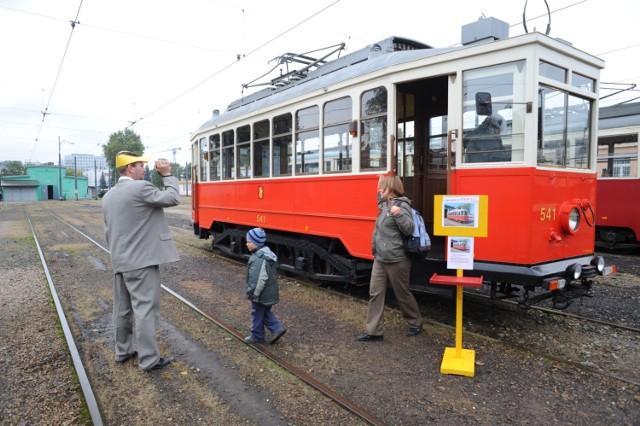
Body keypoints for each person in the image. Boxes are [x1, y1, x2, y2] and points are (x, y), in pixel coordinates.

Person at [102, 151, 180, 371]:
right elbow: (173, 198)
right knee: (145, 310)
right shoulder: (140, 188)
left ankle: (123, 351)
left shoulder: (108, 196)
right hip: (142, 262)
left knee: (122, 309)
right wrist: (167, 175)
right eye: (140, 166)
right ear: (130, 168)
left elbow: (108, 231)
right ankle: (149, 359)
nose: (144, 169)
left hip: (120, 260)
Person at [357, 174, 423, 341]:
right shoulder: (385, 205)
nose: (379, 190)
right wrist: (380, 182)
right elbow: (379, 200)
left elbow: (408, 228)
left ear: (391, 189)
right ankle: (374, 331)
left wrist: (398, 213)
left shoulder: (401, 206)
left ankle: (415, 322)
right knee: (375, 294)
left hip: (397, 259)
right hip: (380, 258)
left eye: (382, 187)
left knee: (402, 294)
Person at [244, 227, 286, 345]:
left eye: (249, 242)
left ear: (257, 243)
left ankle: (257, 335)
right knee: (264, 312)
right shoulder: (267, 254)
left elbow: (257, 280)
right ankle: (276, 329)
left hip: (261, 293)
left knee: (256, 312)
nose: (246, 244)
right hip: (269, 291)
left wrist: (252, 294)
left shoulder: (259, 259)